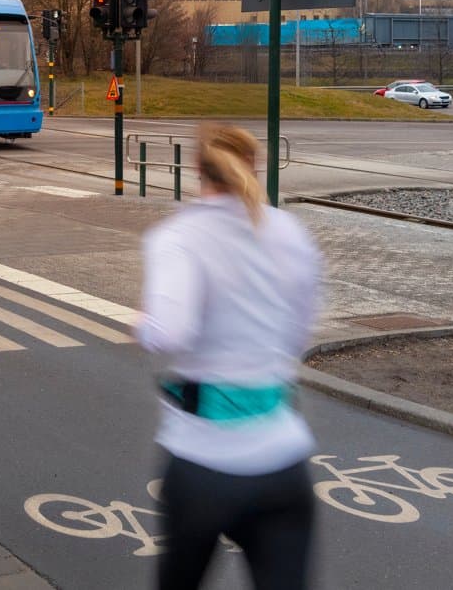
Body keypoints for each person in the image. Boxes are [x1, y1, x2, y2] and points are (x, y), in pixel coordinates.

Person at [136, 123, 321, 590]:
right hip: (283, 464)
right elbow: (298, 331)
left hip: (203, 461)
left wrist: (143, 325)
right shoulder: (289, 232)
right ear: (254, 165)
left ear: (197, 169)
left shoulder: (179, 237)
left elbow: (170, 332)